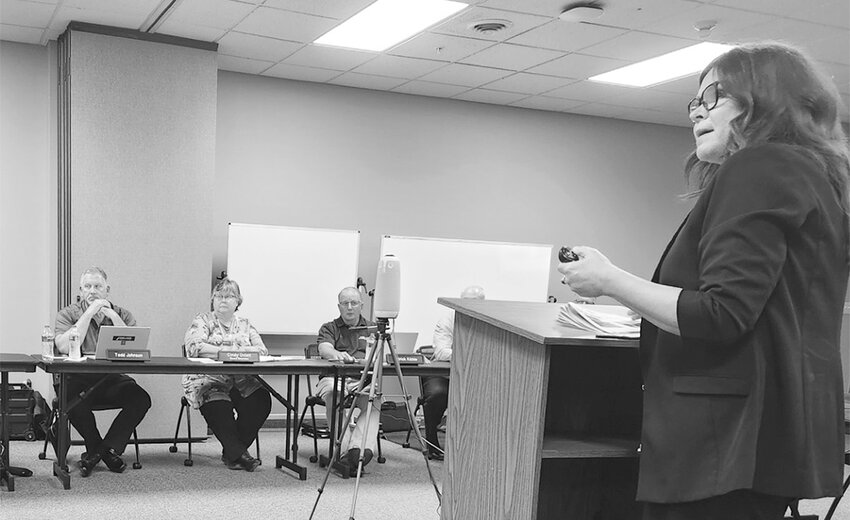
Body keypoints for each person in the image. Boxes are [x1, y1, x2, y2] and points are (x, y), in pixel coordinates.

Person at [559, 41, 849, 519]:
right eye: (695, 101)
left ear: (764, 99)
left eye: (713, 96)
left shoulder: (760, 165)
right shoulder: (814, 173)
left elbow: (722, 313)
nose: (697, 111)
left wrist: (609, 279)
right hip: (766, 435)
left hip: (724, 442)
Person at [54, 267, 152, 477]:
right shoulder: (67, 314)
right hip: (77, 380)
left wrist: (113, 316)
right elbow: (63, 346)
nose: (92, 291)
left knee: (141, 399)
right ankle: (102, 450)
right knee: (70, 399)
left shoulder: (122, 313)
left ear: (107, 290)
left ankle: (102, 451)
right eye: (87, 287)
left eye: (98, 287)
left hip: (111, 379)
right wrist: (89, 313)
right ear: (80, 290)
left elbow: (134, 347)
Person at [182, 278, 270, 472]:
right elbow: (195, 347)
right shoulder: (202, 320)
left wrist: (225, 347)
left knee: (261, 399)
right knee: (218, 403)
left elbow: (261, 350)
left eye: (229, 296)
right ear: (213, 299)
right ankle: (239, 455)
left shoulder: (246, 324)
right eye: (219, 296)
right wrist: (232, 348)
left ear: (238, 301)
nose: (223, 300)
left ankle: (232, 452)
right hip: (208, 380)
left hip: (240, 381)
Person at [316, 287, 378, 476]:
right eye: (345, 303)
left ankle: (359, 449)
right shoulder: (329, 327)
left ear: (361, 305)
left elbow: (381, 353)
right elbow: (324, 348)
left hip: (363, 380)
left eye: (354, 303)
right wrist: (337, 354)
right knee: (334, 395)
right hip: (333, 378)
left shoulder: (373, 328)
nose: (349, 307)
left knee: (375, 400)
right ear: (339, 306)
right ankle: (345, 452)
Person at [422, 285, 485, 460]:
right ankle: (432, 443)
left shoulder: (489, 322)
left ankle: (477, 445)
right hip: (444, 373)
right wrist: (469, 357)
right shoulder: (447, 319)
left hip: (474, 373)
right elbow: (442, 352)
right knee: (438, 394)